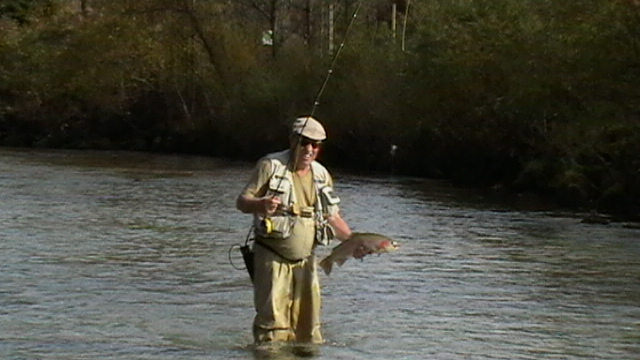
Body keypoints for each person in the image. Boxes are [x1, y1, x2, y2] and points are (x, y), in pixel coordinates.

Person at [236, 116, 354, 344]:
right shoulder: (270, 166)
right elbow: (242, 202)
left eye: (316, 145)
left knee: (309, 328)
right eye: (304, 142)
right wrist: (260, 205)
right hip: (272, 256)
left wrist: (353, 242)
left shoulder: (321, 174)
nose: (309, 149)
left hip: (307, 260)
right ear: (292, 140)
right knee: (272, 326)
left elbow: (332, 216)